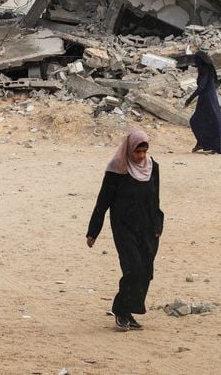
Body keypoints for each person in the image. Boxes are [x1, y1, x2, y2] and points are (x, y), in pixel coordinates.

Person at [86, 129, 164, 332]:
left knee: (145, 272)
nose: (141, 156)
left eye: (144, 151)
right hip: (124, 227)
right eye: (137, 152)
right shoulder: (117, 170)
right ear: (129, 150)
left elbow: (155, 198)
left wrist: (158, 224)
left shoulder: (152, 167)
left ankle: (129, 310)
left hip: (147, 228)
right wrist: (93, 231)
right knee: (133, 269)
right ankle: (120, 311)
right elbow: (103, 201)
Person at [184, 51, 221, 154]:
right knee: (198, 121)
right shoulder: (202, 68)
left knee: (211, 122)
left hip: (208, 99)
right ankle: (202, 143)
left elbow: (202, 87)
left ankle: (216, 146)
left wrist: (189, 99)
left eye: (196, 59)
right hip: (204, 99)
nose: (195, 61)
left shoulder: (207, 69)